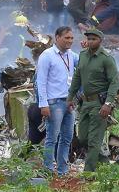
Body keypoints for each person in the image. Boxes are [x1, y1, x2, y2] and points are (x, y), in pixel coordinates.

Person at [67, 28, 119, 172]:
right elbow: (77, 77)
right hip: (85, 102)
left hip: (99, 103)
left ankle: (88, 174)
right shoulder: (83, 55)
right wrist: (70, 97)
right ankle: (105, 163)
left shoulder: (106, 58)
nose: (90, 42)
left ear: (100, 41)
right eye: (89, 39)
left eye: (93, 39)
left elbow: (115, 82)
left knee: (94, 140)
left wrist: (108, 104)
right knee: (83, 137)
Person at [37, 26, 78, 175]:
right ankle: (48, 170)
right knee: (52, 138)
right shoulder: (47, 56)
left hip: (69, 103)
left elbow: (85, 63)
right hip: (54, 103)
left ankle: (62, 170)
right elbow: (40, 81)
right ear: (57, 38)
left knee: (67, 138)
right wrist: (43, 104)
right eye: (67, 38)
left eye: (72, 38)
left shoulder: (72, 55)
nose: (70, 41)